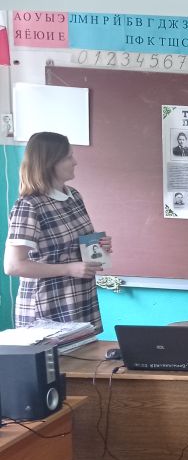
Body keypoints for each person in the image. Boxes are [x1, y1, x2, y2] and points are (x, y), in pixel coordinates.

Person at [4, 131, 110, 332]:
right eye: (69, 157)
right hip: (46, 309)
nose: (75, 162)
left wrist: (98, 248)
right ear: (50, 162)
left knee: (86, 352)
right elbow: (13, 266)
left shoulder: (73, 196)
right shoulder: (29, 205)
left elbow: (74, 245)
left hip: (79, 300)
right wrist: (68, 269)